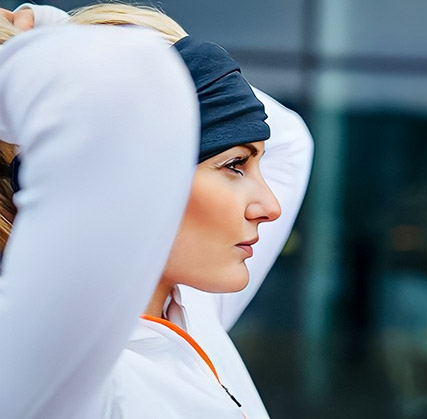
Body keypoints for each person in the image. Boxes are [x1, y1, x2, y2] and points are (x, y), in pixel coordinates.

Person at [0, 3, 313, 418]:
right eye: (235, 164)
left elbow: (290, 139)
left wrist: (58, 38)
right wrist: (53, 43)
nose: (270, 207)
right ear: (128, 181)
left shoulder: (191, 311)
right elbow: (146, 86)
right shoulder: (62, 372)